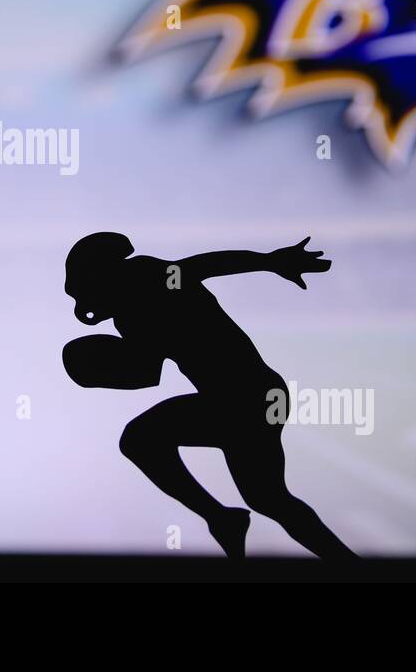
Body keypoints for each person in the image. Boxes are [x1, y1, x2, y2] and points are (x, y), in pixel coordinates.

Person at [63, 232, 355, 559]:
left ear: (103, 277)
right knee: (268, 499)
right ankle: (339, 559)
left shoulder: (146, 281)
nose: (82, 307)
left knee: (139, 439)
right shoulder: (132, 307)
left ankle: (221, 519)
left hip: (242, 398)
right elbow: (146, 370)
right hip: (252, 396)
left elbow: (204, 266)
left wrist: (270, 261)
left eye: (82, 292)